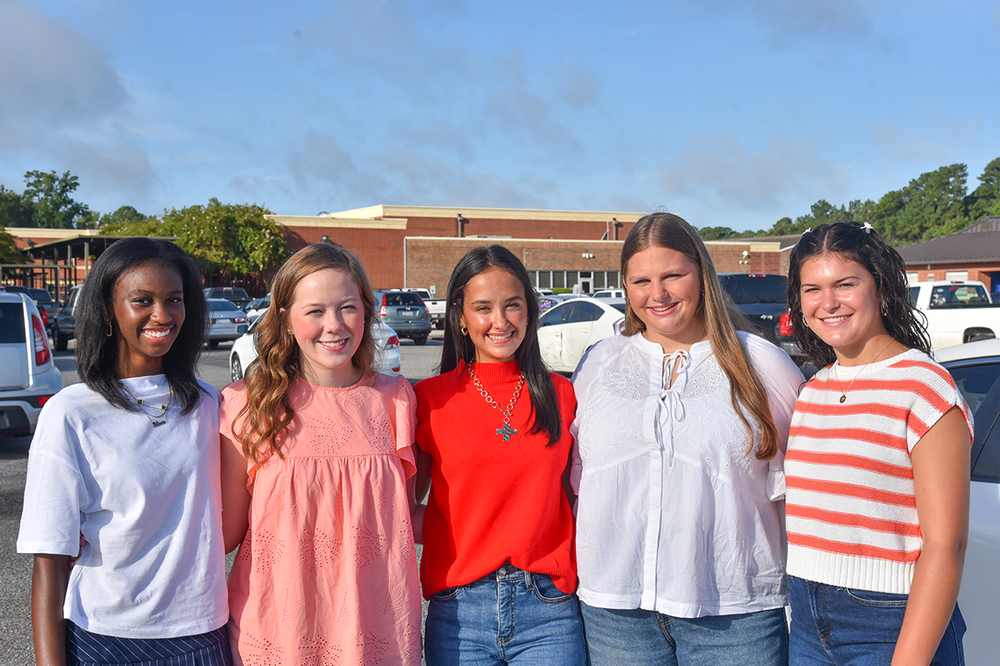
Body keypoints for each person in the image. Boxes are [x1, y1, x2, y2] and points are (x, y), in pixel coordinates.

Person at [571, 213, 803, 666]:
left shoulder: (763, 365)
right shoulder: (598, 364)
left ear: (702, 273)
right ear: (625, 286)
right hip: (616, 614)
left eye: (673, 276)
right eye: (642, 281)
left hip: (735, 615)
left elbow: (803, 490)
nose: (657, 294)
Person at [17, 238, 230, 666]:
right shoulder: (72, 413)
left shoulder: (211, 405)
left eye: (174, 300)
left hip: (202, 634)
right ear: (108, 310)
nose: (162, 315)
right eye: (142, 300)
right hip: (104, 639)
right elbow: (50, 559)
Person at [219, 243, 422, 666]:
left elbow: (402, 518)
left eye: (347, 308)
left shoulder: (396, 399)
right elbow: (224, 534)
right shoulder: (246, 405)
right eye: (315, 311)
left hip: (375, 635)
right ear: (285, 320)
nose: (334, 325)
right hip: (278, 633)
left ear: (366, 312)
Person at [784, 222, 972, 665]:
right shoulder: (812, 389)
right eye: (812, 289)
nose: (828, 303)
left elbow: (946, 545)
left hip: (889, 622)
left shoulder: (924, 387)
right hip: (807, 620)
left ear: (880, 286)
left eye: (845, 284)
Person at [414, 245, 585, 665]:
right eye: (483, 308)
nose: (500, 321)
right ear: (460, 316)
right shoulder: (428, 400)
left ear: (529, 311)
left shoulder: (562, 394)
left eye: (512, 305)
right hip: (459, 611)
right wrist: (463, 529)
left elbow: (572, 498)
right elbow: (403, 506)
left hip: (548, 609)